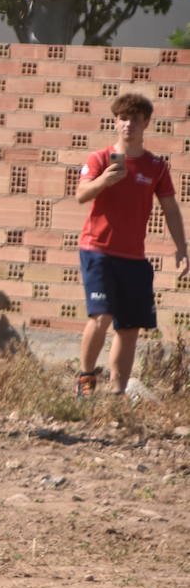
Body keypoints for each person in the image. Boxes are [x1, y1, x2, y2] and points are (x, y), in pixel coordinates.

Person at [74, 93, 188, 398]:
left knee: (129, 328)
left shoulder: (156, 167)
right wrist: (104, 182)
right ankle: (85, 380)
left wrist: (181, 248)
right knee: (101, 317)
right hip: (97, 249)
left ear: (145, 123)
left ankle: (117, 394)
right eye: (123, 119)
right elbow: (81, 194)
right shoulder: (99, 159)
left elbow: (170, 208)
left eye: (135, 119)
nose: (128, 125)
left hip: (133, 257)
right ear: (116, 121)